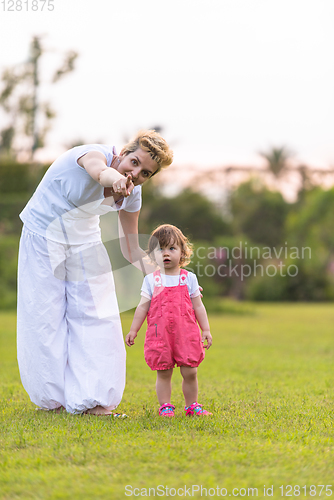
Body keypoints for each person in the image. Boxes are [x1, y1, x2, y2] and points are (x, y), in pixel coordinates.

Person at [17, 130, 173, 415]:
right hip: (42, 235)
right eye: (134, 162)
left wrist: (159, 277)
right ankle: (52, 401)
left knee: (99, 314)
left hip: (84, 240)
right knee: (45, 316)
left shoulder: (133, 194)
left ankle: (95, 400)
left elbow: (130, 248)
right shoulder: (92, 154)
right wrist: (118, 180)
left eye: (146, 173)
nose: (136, 173)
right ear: (123, 152)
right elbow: (101, 173)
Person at [125, 224, 213, 417]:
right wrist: (133, 330)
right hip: (160, 335)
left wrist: (205, 330)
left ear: (182, 252)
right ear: (152, 255)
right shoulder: (151, 280)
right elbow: (142, 307)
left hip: (186, 333)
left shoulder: (189, 278)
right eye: (160, 249)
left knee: (190, 371)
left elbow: (198, 306)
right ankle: (165, 406)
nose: (166, 253)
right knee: (163, 371)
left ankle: (192, 405)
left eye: (171, 248)